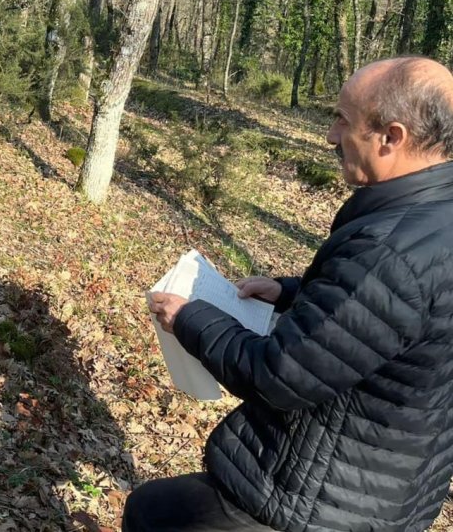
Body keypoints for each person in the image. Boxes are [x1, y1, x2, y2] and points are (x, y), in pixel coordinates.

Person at [137, 56, 453, 532]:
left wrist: (190, 319)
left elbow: (280, 376)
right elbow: (398, 314)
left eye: (343, 119)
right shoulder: (434, 214)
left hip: (317, 499)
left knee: (151, 513)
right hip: (395, 488)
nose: (330, 135)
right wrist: (290, 293)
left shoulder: (389, 250)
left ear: (392, 137)